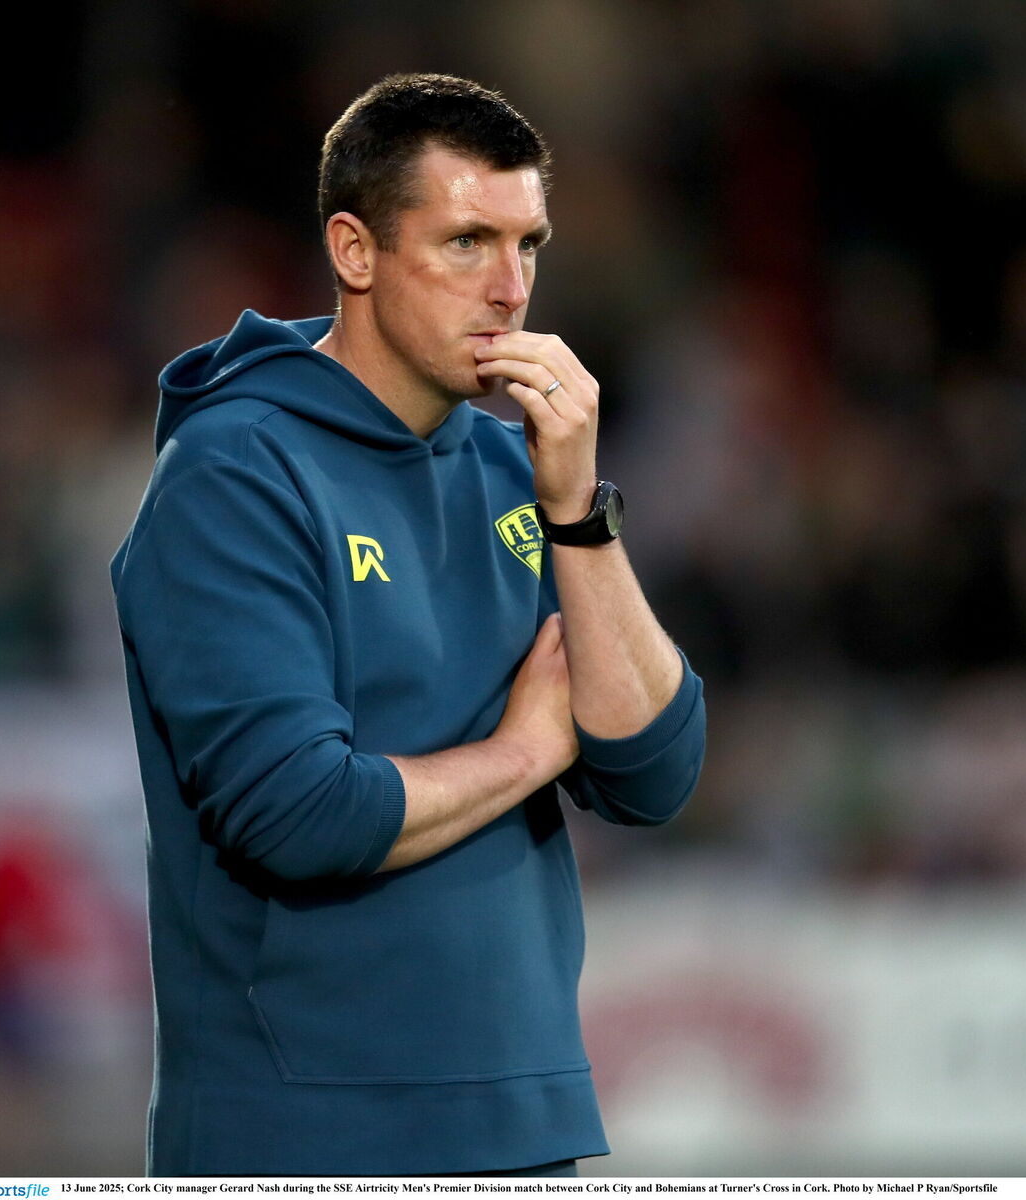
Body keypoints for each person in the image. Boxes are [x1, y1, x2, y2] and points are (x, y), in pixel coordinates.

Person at [111, 73, 705, 1178]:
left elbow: (655, 772)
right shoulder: (235, 472)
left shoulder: (516, 470)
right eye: (467, 242)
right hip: (309, 1135)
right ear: (355, 251)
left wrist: (579, 512)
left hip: (527, 1126)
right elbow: (300, 813)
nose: (510, 289)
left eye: (528, 245)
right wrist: (526, 750)